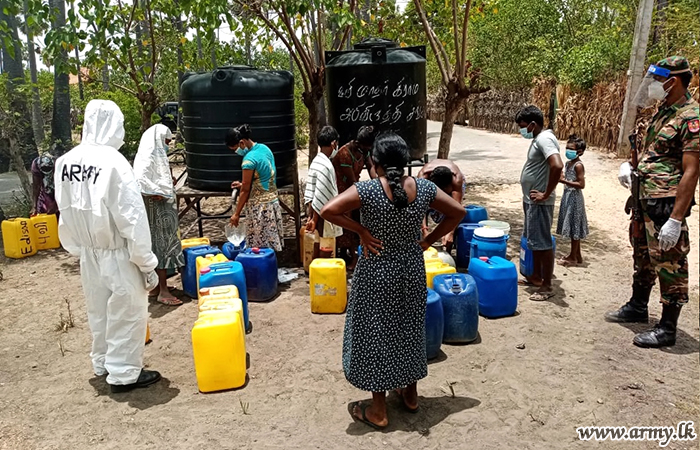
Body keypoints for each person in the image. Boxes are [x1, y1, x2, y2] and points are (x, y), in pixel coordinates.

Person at [321, 132, 465, 430]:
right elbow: (458, 213)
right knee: (408, 328)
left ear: (374, 162)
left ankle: (378, 410)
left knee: (377, 333)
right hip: (411, 269)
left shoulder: (368, 190)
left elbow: (328, 210)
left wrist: (360, 231)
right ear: (406, 161)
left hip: (376, 272)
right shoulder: (424, 188)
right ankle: (410, 396)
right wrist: (429, 240)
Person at [54, 99, 162, 393]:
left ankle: (102, 362)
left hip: (89, 252)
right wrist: (146, 262)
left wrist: (79, 247)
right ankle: (124, 373)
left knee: (98, 310)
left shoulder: (66, 162)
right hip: (118, 252)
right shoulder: (114, 163)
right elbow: (132, 218)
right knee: (127, 311)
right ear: (112, 124)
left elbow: (64, 209)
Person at [606, 56, 699, 348]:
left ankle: (667, 328)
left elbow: (691, 170)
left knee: (669, 262)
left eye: (657, 82)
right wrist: (630, 167)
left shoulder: (691, 116)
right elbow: (652, 154)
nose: (653, 87)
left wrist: (675, 218)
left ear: (672, 82)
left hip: (665, 203)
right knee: (643, 256)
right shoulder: (663, 113)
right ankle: (638, 306)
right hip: (644, 198)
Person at [515, 105, 564, 301]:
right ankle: (534, 276)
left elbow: (557, 165)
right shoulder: (539, 139)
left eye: (523, 126)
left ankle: (546, 285)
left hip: (539, 202)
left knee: (542, 242)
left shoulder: (545, 138)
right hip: (531, 200)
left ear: (534, 124)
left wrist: (545, 193)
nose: (522, 130)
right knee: (533, 240)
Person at [133, 123, 185, 306]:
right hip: (158, 213)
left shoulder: (152, 157)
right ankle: (163, 291)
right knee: (162, 248)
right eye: (166, 142)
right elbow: (140, 182)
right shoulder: (147, 159)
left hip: (160, 211)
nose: (167, 146)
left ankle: (156, 287)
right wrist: (156, 191)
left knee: (160, 247)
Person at [226, 124, 284, 251]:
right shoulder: (264, 149)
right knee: (270, 248)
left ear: (242, 142)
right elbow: (266, 175)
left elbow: (245, 190)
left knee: (259, 249)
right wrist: (244, 184)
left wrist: (236, 214)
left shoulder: (249, 160)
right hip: (273, 202)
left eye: (235, 148)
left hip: (260, 209)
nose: (236, 152)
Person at [332, 126, 377, 270]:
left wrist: (378, 183)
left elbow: (371, 167)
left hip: (353, 189)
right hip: (342, 190)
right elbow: (352, 180)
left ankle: (354, 253)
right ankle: (354, 257)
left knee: (358, 220)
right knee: (349, 224)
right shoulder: (345, 153)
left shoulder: (364, 151)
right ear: (359, 143)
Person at [304, 126, 343, 259]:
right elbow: (320, 195)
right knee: (325, 248)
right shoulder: (325, 166)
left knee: (318, 244)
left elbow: (311, 193)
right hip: (322, 215)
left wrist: (310, 216)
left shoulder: (316, 161)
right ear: (333, 143)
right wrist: (314, 219)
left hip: (316, 213)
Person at [417, 159, 466, 252]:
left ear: (450, 186)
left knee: (449, 210)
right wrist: (424, 230)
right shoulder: (422, 178)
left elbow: (456, 209)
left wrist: (450, 232)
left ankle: (448, 248)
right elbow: (420, 207)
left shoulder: (457, 180)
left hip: (452, 179)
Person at [556, 135, 589, 266]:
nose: (568, 151)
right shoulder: (568, 163)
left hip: (575, 198)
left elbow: (581, 184)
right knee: (573, 226)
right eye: (567, 148)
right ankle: (577, 255)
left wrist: (564, 181)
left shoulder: (578, 165)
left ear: (580, 152)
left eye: (571, 149)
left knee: (574, 227)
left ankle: (572, 257)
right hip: (567, 196)